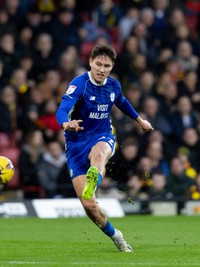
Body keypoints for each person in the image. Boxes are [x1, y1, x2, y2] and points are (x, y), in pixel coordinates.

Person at [55, 43, 154, 252]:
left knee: (99, 154)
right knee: (89, 205)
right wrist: (66, 123)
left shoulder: (113, 86)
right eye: (98, 64)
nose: (101, 69)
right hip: (75, 143)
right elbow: (62, 109)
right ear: (90, 62)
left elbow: (122, 102)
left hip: (103, 135)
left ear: (112, 67)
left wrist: (140, 120)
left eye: (106, 66)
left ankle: (94, 179)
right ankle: (116, 236)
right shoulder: (79, 84)